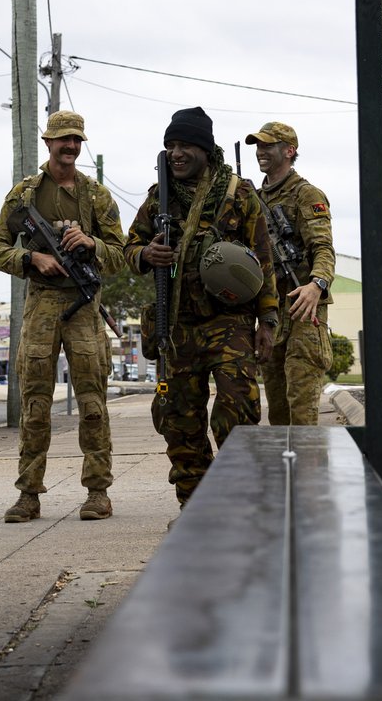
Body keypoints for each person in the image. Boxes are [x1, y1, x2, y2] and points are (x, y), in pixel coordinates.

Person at [124, 107, 278, 509]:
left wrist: (269, 320)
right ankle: (195, 509)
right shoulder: (159, 197)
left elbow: (263, 260)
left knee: (238, 413)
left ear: (205, 150)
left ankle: (239, 507)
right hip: (177, 326)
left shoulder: (238, 195)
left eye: (185, 145)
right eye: (170, 146)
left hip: (229, 323)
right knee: (179, 423)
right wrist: (146, 254)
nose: (176, 153)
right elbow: (129, 248)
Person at [0, 110, 126, 524]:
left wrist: (91, 244)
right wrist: (33, 258)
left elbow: (121, 255)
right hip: (42, 304)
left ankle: (98, 492)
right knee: (34, 404)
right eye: (63, 139)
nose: (70, 146)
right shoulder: (25, 195)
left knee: (93, 404)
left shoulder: (97, 196)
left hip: (84, 306)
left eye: (76, 140)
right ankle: (29, 494)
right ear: (48, 143)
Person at [246, 121, 336, 426]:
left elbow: (323, 248)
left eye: (268, 146)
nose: (261, 152)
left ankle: (309, 474)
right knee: (278, 413)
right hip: (271, 312)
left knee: (302, 412)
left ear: (289, 151)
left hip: (303, 309)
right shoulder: (255, 199)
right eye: (258, 146)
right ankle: (285, 475)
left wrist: (317, 285)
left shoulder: (306, 194)